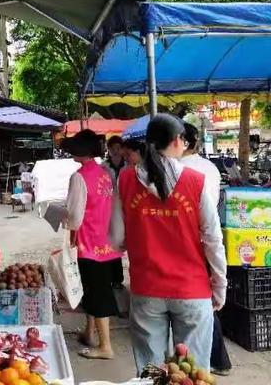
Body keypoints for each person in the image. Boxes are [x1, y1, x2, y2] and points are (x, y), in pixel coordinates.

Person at [111, 114, 227, 373]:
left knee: (151, 371)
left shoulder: (126, 179)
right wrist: (220, 285)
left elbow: (116, 239)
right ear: (177, 140)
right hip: (191, 289)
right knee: (191, 372)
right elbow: (213, 240)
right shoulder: (196, 181)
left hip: (146, 288)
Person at [62, 129, 122, 360]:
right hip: (106, 242)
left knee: (97, 294)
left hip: (87, 243)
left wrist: (60, 216)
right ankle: (89, 332)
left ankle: (105, 346)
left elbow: (75, 217)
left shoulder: (79, 177)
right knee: (94, 288)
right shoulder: (105, 173)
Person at [182, 122, 231, 376]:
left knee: (199, 307)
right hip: (207, 238)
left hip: (192, 240)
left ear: (183, 142)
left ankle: (212, 360)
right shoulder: (209, 166)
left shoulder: (182, 169)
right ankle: (218, 360)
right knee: (205, 303)